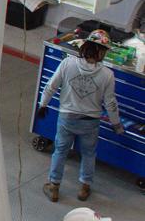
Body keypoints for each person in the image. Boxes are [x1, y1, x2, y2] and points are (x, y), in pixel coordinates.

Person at [38, 29, 124, 202]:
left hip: (66, 118)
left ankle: (54, 186)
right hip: (90, 122)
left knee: (60, 151)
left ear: (85, 46)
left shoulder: (67, 63)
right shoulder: (107, 75)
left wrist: (43, 104)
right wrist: (116, 124)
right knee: (89, 153)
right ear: (101, 52)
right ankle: (84, 187)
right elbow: (111, 103)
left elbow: (51, 85)